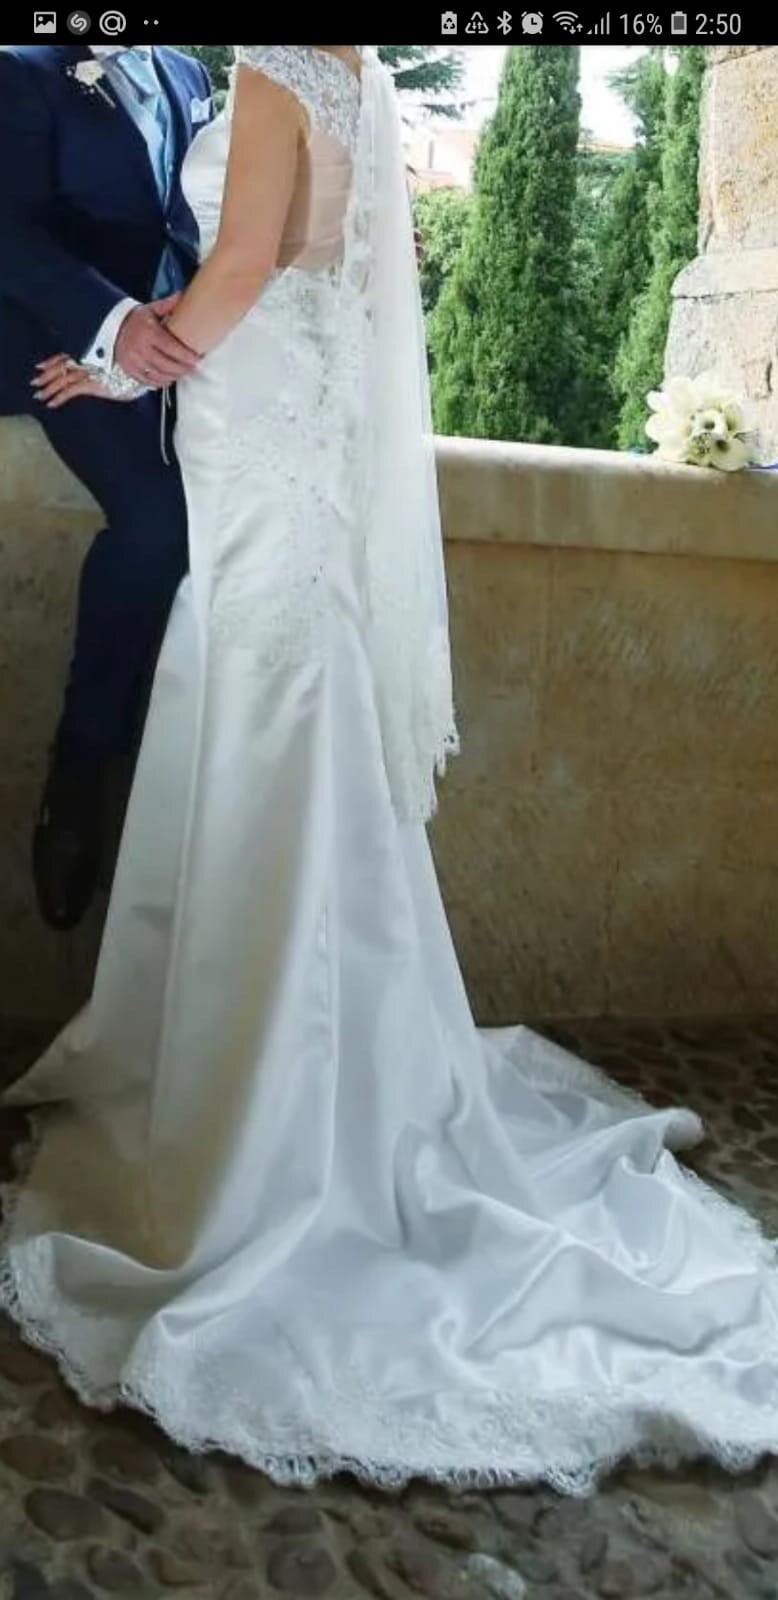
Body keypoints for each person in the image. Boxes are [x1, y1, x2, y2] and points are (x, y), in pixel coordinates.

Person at [2, 46, 778, 1493]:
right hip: (282, 426)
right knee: (284, 717)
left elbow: (241, 265)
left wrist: (111, 358)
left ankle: (267, 1121)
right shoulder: (349, 67)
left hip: (253, 420)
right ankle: (299, 1064)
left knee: (267, 717)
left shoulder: (272, 66)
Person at [0, 42, 213, 930]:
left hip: (178, 353)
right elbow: (9, 234)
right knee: (160, 519)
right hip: (53, 348)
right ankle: (81, 770)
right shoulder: (21, 69)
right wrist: (112, 325)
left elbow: (193, 224)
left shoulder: (189, 74)